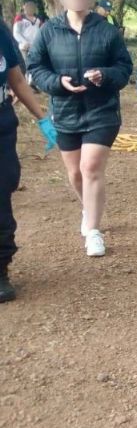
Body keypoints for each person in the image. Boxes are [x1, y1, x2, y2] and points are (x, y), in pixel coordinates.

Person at [27, 0, 133, 257]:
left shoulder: (107, 30)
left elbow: (124, 69)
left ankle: (95, 232)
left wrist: (105, 76)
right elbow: (35, 67)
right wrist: (56, 83)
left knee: (90, 168)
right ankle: (89, 209)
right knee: (75, 173)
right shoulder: (49, 31)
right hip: (64, 111)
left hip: (102, 111)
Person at [0, 22, 55, 302]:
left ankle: (0, 270)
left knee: (2, 194)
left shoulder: (0, 31)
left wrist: (41, 117)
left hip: (1, 127)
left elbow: (17, 80)